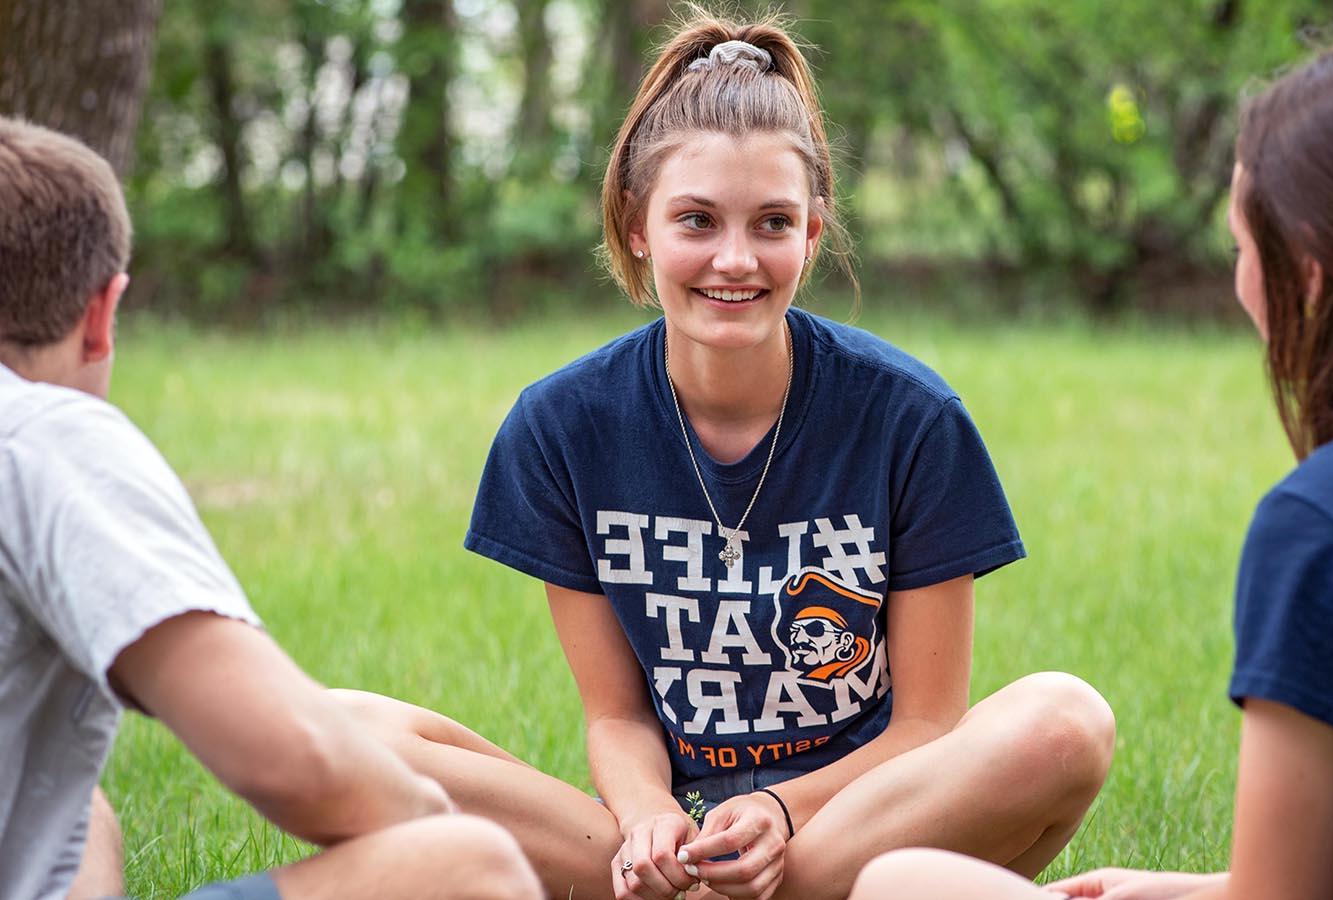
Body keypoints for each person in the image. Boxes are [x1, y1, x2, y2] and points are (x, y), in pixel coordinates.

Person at [333, 10, 1115, 900]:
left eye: (772, 223)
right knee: (337, 729)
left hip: (850, 824)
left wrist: (783, 814)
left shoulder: (912, 420)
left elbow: (927, 729)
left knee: (1064, 720)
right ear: (636, 226)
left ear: (813, 233)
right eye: (697, 220)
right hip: (652, 844)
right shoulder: (562, 427)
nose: (735, 260)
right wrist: (647, 821)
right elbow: (617, 715)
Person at [847, 39, 1333, 900]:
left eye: (1243, 250)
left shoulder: (1331, 522)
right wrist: (1188, 892)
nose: (1242, 284)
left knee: (904, 884)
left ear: (1308, 273)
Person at [0, 117, 545, 900]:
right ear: (100, 314)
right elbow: (294, 760)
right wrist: (436, 826)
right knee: (473, 868)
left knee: (79, 807)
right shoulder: (43, 436)